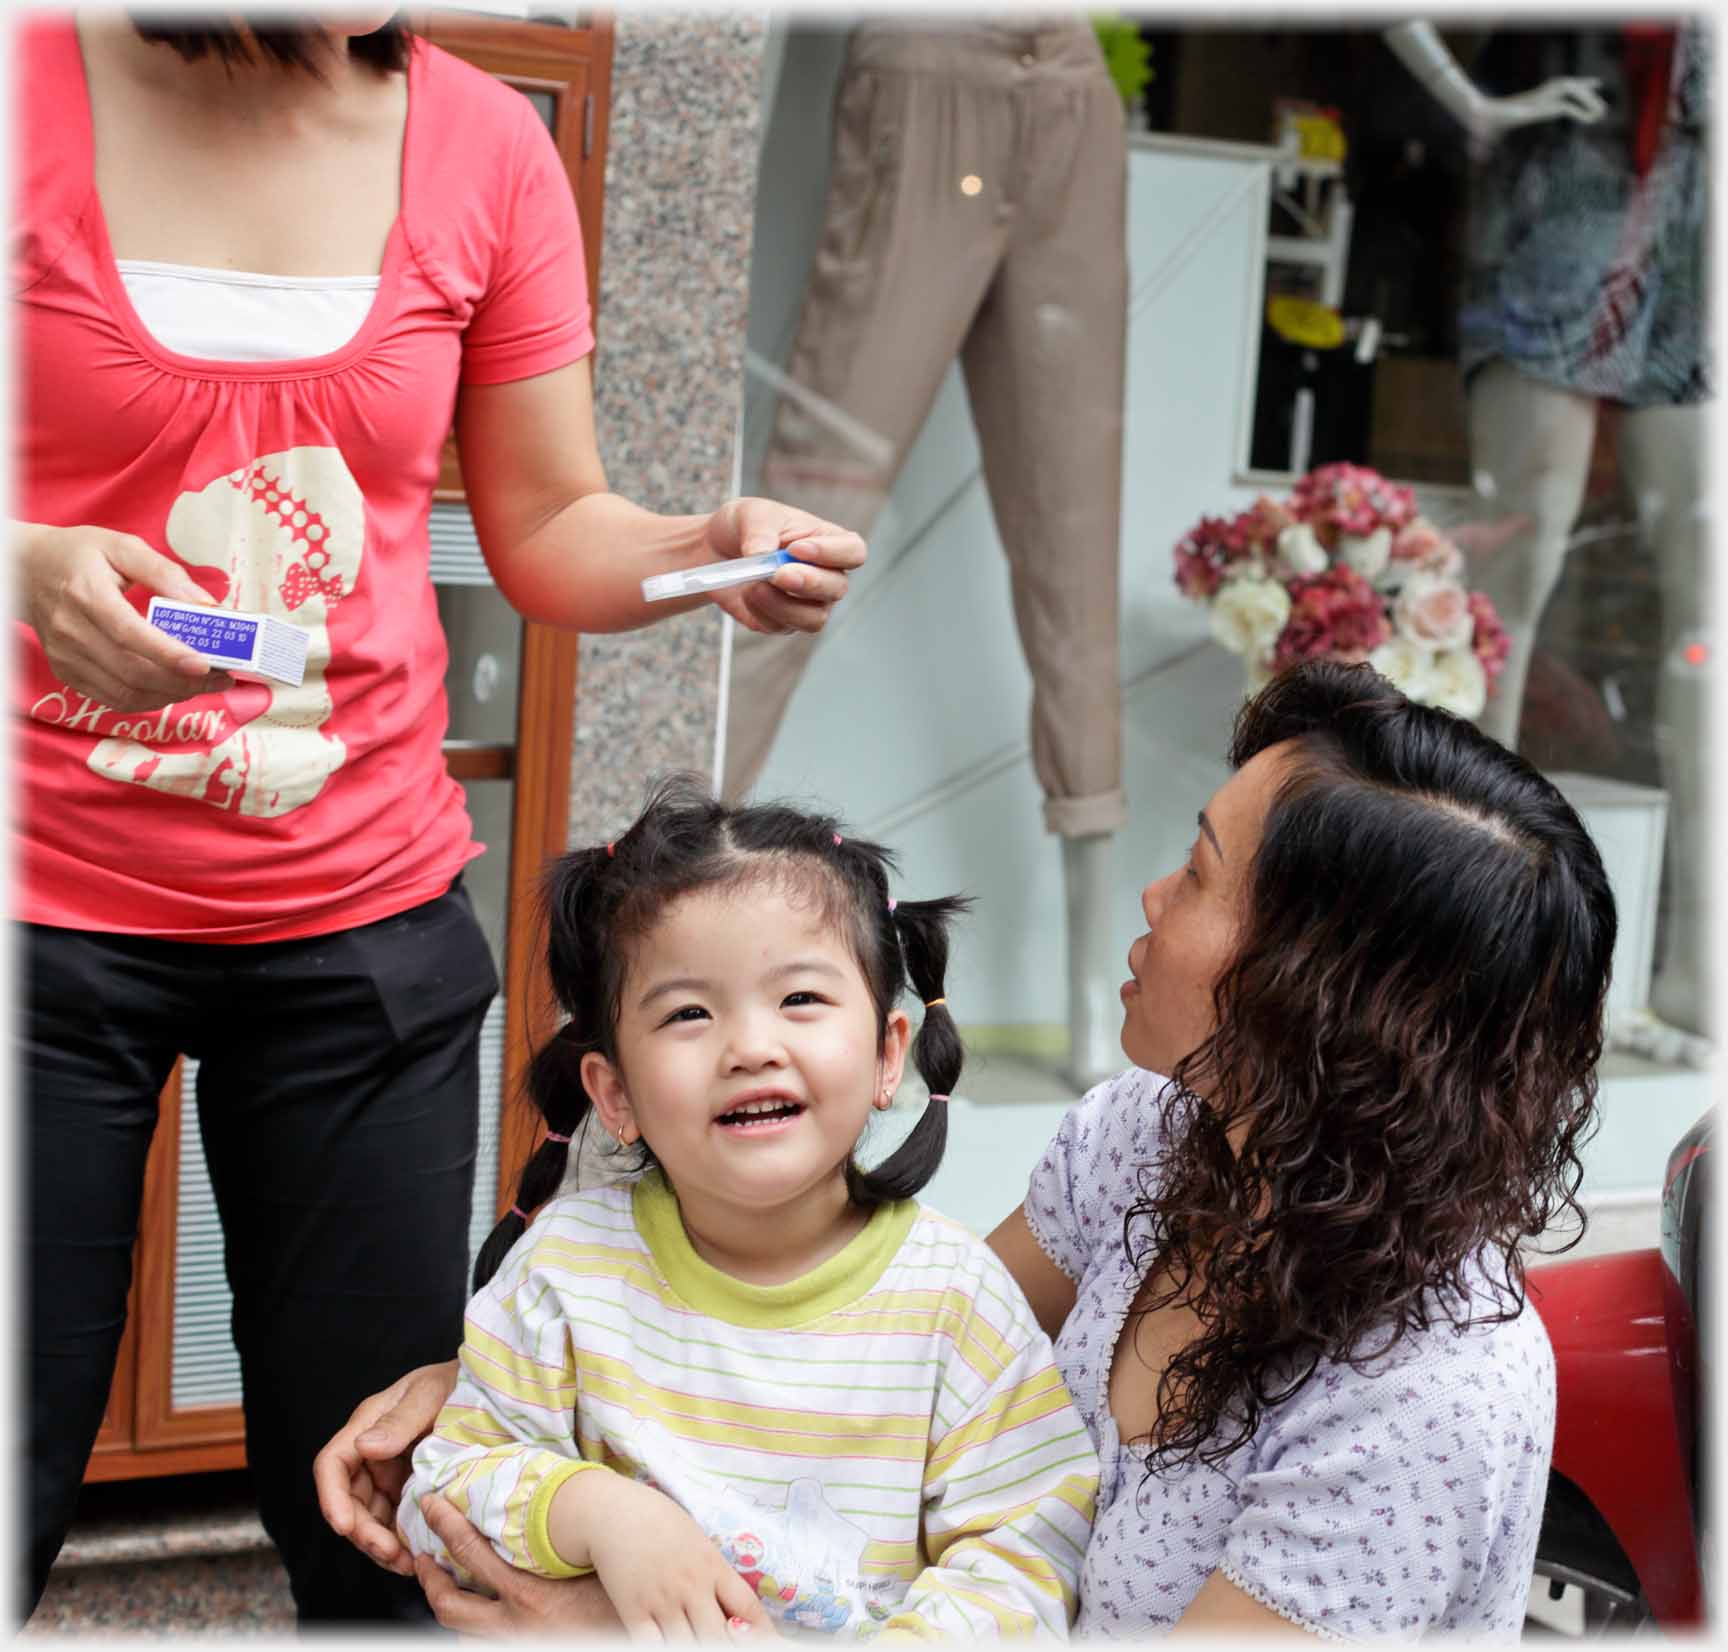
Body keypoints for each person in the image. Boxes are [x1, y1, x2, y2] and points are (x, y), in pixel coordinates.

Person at [15, 10, 865, 1625]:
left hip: (360, 930)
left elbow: (543, 518)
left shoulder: (482, 145)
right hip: (35, 912)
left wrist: (701, 541)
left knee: (384, 1519)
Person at [319, 660, 1617, 1638]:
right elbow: (869, 1346)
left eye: (1202, 873)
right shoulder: (1146, 1141)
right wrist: (516, 1386)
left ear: (1324, 996)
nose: (1154, 899)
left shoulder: (1421, 1399)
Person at [393, 779, 1099, 1638]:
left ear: (887, 1057)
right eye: (689, 1012)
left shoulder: (959, 1305)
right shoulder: (566, 1270)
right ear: (614, 1094)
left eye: (800, 998)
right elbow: (443, 1489)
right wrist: (604, 1514)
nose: (752, 1048)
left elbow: (1028, 1560)